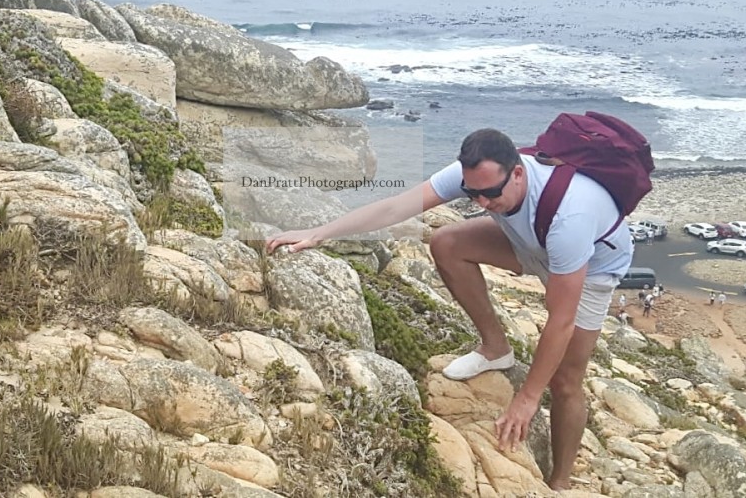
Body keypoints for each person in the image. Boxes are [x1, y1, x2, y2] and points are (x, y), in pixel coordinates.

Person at [265, 128, 633, 492]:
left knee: (566, 379)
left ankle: (561, 481)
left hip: (591, 265)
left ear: (518, 172)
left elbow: (561, 320)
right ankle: (495, 349)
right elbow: (397, 206)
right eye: (472, 194)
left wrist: (527, 399)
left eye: (490, 193)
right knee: (447, 243)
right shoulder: (480, 177)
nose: (482, 204)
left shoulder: (571, 217)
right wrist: (319, 233)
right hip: (533, 242)